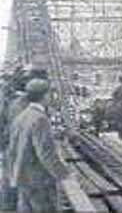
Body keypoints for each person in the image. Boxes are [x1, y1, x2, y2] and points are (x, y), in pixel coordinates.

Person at [7, 78, 74, 212]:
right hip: (39, 182)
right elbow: (46, 153)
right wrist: (65, 174)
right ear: (45, 95)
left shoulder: (21, 116)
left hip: (23, 179)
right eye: (50, 94)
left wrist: (13, 175)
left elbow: (12, 150)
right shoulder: (40, 119)